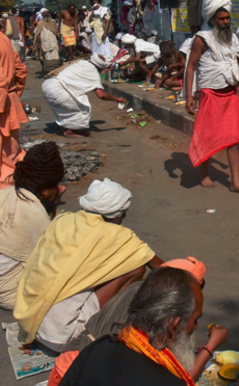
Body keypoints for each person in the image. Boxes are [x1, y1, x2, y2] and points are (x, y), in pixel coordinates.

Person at [14, 177, 164, 352]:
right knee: (136, 268)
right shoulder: (119, 235)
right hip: (64, 337)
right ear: (117, 214)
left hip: (31, 323)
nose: (124, 217)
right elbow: (163, 268)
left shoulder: (62, 221)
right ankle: (107, 325)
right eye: (124, 212)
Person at [47, 258, 218, 386]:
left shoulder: (101, 345)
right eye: (195, 320)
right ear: (173, 325)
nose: (195, 327)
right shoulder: (169, 381)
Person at [184, 0, 239, 194]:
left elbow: (238, 62)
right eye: (221, 19)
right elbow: (191, 67)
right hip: (210, 95)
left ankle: (235, 182)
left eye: (227, 18)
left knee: (233, 139)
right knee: (206, 135)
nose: (225, 22)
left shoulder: (233, 39)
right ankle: (203, 174)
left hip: (230, 95)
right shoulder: (202, 39)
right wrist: (189, 96)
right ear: (212, 19)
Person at [0, 142, 65, 310]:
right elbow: (51, 264)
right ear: (43, 190)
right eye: (56, 185)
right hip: (10, 294)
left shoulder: (5, 194)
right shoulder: (35, 216)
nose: (60, 189)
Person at [42, 55, 127, 138]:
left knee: (72, 105)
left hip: (48, 85)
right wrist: (117, 99)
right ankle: (70, 131)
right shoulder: (93, 72)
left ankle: (69, 127)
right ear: (102, 67)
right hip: (57, 89)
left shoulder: (81, 62)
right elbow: (101, 95)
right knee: (83, 106)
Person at [0, 33, 27, 187]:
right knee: (12, 154)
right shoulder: (3, 38)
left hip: (2, 105)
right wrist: (14, 97)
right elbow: (20, 69)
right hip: (7, 102)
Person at [34, 9, 62, 73]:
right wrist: (38, 43)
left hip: (53, 41)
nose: (46, 14)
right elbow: (38, 34)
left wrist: (60, 43)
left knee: (55, 57)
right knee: (47, 58)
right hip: (45, 42)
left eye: (47, 13)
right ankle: (49, 72)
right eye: (44, 13)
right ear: (42, 14)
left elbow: (56, 32)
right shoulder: (40, 23)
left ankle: (56, 71)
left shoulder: (53, 21)